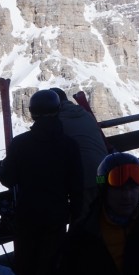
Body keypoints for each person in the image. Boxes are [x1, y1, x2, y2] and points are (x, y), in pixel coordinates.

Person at [0, 89, 83, 275]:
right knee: (50, 269)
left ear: (32, 113)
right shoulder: (70, 145)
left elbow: (7, 179)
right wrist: (75, 218)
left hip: (26, 217)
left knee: (25, 270)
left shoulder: (20, 144)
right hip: (57, 217)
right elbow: (77, 186)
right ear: (57, 110)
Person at [51, 87, 109, 219]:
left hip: (84, 179)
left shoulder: (58, 122)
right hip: (102, 175)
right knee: (101, 208)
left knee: (83, 216)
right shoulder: (85, 114)